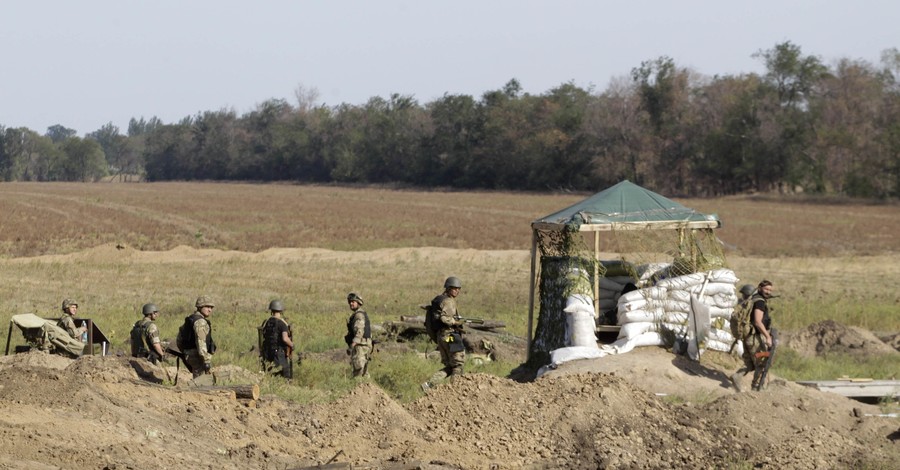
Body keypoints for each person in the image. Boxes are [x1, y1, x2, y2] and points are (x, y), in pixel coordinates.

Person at [421, 276, 466, 391]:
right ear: (448, 288)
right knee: (458, 365)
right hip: (450, 337)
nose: (457, 291)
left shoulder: (439, 299)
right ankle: (455, 390)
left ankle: (428, 385)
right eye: (454, 288)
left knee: (450, 366)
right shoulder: (449, 301)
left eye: (458, 288)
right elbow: (444, 318)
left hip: (441, 337)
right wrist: (455, 322)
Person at [176, 296, 217, 379]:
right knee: (201, 381)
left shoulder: (190, 319)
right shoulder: (200, 322)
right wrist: (206, 360)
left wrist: (185, 352)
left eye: (211, 307)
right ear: (200, 307)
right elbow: (201, 342)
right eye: (207, 307)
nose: (210, 310)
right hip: (198, 356)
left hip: (189, 354)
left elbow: (179, 339)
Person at [748, 280, 776, 391]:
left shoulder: (755, 298)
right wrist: (768, 337)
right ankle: (756, 388)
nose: (768, 292)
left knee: (752, 361)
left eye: (770, 290)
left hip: (752, 335)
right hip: (756, 337)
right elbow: (758, 322)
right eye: (766, 289)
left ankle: (737, 377)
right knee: (763, 361)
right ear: (759, 288)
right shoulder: (759, 302)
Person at [729, 284, 757, 392]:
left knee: (750, 363)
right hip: (751, 338)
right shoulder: (751, 305)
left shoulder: (742, 305)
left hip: (745, 337)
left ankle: (737, 376)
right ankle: (756, 389)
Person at [260, 299, 294, 380]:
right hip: (279, 354)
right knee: (285, 375)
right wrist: (292, 345)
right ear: (281, 311)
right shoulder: (282, 324)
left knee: (271, 374)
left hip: (267, 353)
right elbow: (285, 339)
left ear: (271, 310)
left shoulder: (267, 322)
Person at [344, 292, 372, 378]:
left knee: (358, 371)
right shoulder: (361, 314)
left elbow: (359, 332)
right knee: (364, 372)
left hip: (360, 346)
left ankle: (358, 388)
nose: (351, 304)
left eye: (353, 302)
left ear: (358, 302)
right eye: (350, 302)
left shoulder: (358, 315)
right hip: (365, 345)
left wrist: (352, 345)